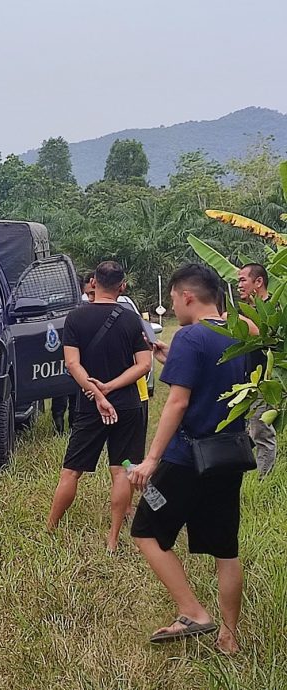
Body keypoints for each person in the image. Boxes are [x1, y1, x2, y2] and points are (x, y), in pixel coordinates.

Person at [129, 264, 249, 654]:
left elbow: (178, 403)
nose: (173, 306)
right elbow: (216, 383)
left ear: (187, 297)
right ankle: (228, 637)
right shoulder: (239, 334)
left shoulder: (190, 336)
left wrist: (150, 460)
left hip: (186, 458)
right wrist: (172, 360)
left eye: (173, 299)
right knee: (225, 549)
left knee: (146, 530)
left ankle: (193, 611)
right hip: (228, 456)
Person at [46, 261, 152, 552]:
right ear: (123, 286)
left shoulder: (75, 318)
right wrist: (111, 387)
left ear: (93, 282)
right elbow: (144, 365)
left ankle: (50, 529)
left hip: (89, 405)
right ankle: (113, 539)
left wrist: (96, 391)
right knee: (121, 470)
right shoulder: (131, 320)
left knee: (71, 472)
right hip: (128, 404)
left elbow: (72, 364)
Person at [237, 262, 277, 477]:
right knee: (246, 431)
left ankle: (264, 479)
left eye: (243, 280)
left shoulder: (273, 308)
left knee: (261, 432)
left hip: (265, 383)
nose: (239, 285)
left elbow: (266, 337)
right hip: (246, 381)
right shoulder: (247, 310)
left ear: (258, 281)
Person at [51, 274, 93, 434]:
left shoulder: (56, 304)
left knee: (61, 393)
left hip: (62, 356)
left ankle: (60, 428)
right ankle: (70, 427)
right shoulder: (85, 305)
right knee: (73, 393)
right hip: (77, 357)